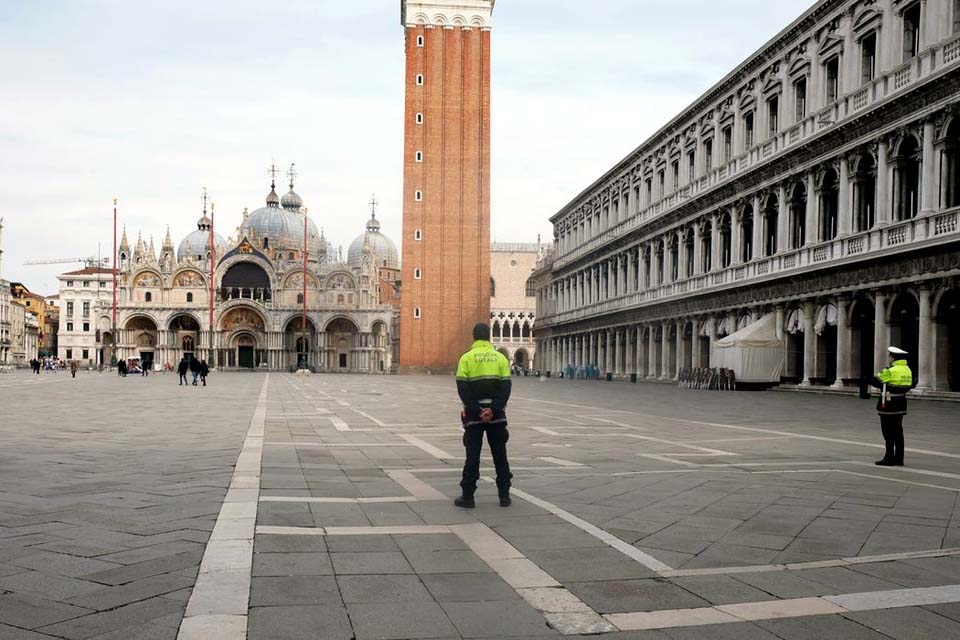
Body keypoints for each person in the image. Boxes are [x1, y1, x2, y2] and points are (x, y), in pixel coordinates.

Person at [454, 322, 513, 508]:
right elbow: (506, 389)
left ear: (473, 336)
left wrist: (478, 410)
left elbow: (462, 389)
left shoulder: (466, 358)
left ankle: (468, 496)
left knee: (472, 456)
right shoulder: (501, 358)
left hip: (473, 416)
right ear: (489, 336)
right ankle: (504, 496)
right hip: (497, 416)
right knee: (500, 455)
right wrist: (493, 410)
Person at [869, 346, 915, 466]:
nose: (889, 358)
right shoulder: (908, 370)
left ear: (893, 357)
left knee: (887, 431)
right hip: (901, 403)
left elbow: (875, 380)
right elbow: (912, 383)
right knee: (898, 431)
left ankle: (889, 456)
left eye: (890, 356)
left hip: (889, 404)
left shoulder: (891, 370)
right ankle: (899, 458)